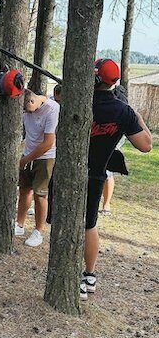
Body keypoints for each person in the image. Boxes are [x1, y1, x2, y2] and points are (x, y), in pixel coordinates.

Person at [81, 59, 152, 300]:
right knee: (89, 225)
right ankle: (88, 275)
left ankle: (82, 275)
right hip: (96, 174)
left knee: (73, 222)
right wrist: (135, 116)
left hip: (70, 173)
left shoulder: (80, 101)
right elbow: (146, 145)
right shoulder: (123, 111)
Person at [15, 89, 59, 247]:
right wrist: (24, 155)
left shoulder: (52, 109)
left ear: (32, 101)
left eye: (26, 109)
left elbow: (48, 142)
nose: (25, 113)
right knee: (24, 190)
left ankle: (38, 231)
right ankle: (19, 224)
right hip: (27, 153)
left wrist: (27, 158)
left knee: (40, 194)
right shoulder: (27, 110)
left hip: (44, 157)